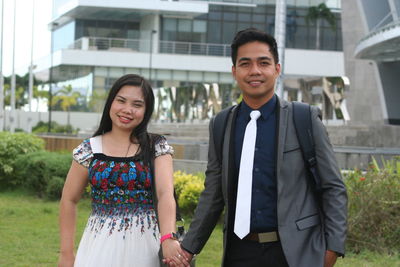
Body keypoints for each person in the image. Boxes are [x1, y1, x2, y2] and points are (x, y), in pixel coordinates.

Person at [174, 28, 348, 267]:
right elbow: (213, 193)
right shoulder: (221, 124)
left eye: (263, 63)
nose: (254, 71)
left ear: (276, 68)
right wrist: (188, 248)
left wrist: (332, 250)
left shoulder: (303, 118)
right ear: (235, 72)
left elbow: (333, 187)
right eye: (245, 64)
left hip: (294, 254)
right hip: (238, 252)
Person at [58, 74, 189, 267]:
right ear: (111, 102)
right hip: (98, 247)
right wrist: (66, 253)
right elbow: (68, 200)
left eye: (137, 105)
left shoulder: (156, 146)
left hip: (147, 248)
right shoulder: (89, 149)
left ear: (146, 110)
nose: (127, 110)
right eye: (121, 101)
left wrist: (168, 238)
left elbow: (165, 194)